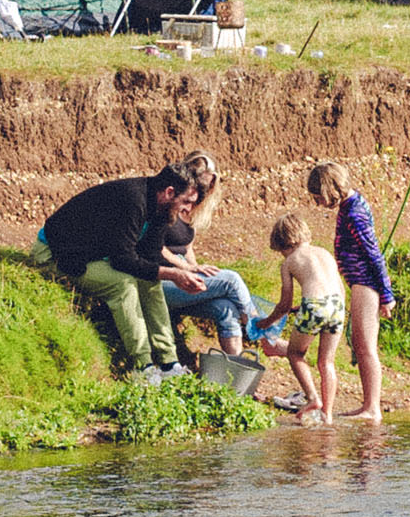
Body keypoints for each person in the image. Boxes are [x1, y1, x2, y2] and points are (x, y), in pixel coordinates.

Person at [39, 160, 200, 382]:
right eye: (186, 202)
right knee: (123, 283)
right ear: (169, 192)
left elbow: (150, 256)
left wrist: (177, 275)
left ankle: (169, 362)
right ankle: (143, 366)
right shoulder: (133, 199)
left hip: (93, 255)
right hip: (56, 254)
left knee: (149, 281)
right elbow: (122, 260)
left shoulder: (163, 209)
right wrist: (174, 274)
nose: (188, 210)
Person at [309, 160, 392, 421]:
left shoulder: (354, 212)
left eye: (318, 197)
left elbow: (374, 254)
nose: (317, 203)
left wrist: (386, 295)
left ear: (329, 189)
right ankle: (369, 405)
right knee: (360, 344)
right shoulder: (350, 206)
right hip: (359, 281)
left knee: (365, 346)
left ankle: (372, 408)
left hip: (366, 283)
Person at [154, 171, 264, 361]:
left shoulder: (191, 212)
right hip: (160, 280)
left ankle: (235, 376)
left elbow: (187, 250)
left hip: (182, 282)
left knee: (226, 308)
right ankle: (261, 332)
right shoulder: (167, 207)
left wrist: (196, 268)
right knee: (231, 280)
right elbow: (156, 248)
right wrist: (187, 269)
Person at [266, 210, 346, 424]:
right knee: (326, 362)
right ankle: (327, 415)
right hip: (337, 306)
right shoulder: (324, 253)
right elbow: (336, 287)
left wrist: (265, 322)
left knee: (294, 353)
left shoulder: (290, 261)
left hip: (314, 306)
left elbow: (283, 305)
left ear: (283, 244)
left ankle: (312, 398)